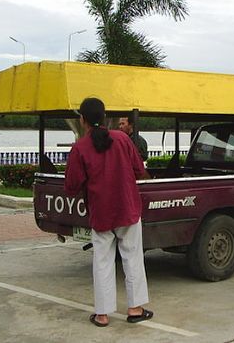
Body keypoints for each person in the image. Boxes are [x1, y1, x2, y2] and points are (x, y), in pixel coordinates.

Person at [64, 97, 153, 327]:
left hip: (101, 212)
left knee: (102, 262)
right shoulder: (122, 139)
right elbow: (139, 170)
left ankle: (102, 315)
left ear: (82, 120)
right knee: (133, 258)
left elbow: (71, 186)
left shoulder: (80, 148)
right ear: (104, 117)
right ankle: (135, 309)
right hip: (127, 208)